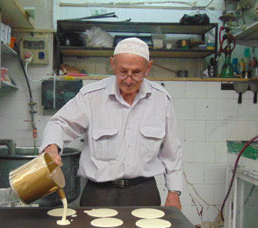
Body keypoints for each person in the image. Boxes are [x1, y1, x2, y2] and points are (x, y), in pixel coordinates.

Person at [39, 37, 183, 209]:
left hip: (144, 192)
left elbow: (172, 151)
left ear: (148, 68)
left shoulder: (161, 100)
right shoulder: (91, 97)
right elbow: (59, 124)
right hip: (99, 193)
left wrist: (174, 192)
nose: (128, 80)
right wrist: (52, 147)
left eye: (136, 73)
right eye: (123, 72)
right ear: (112, 64)